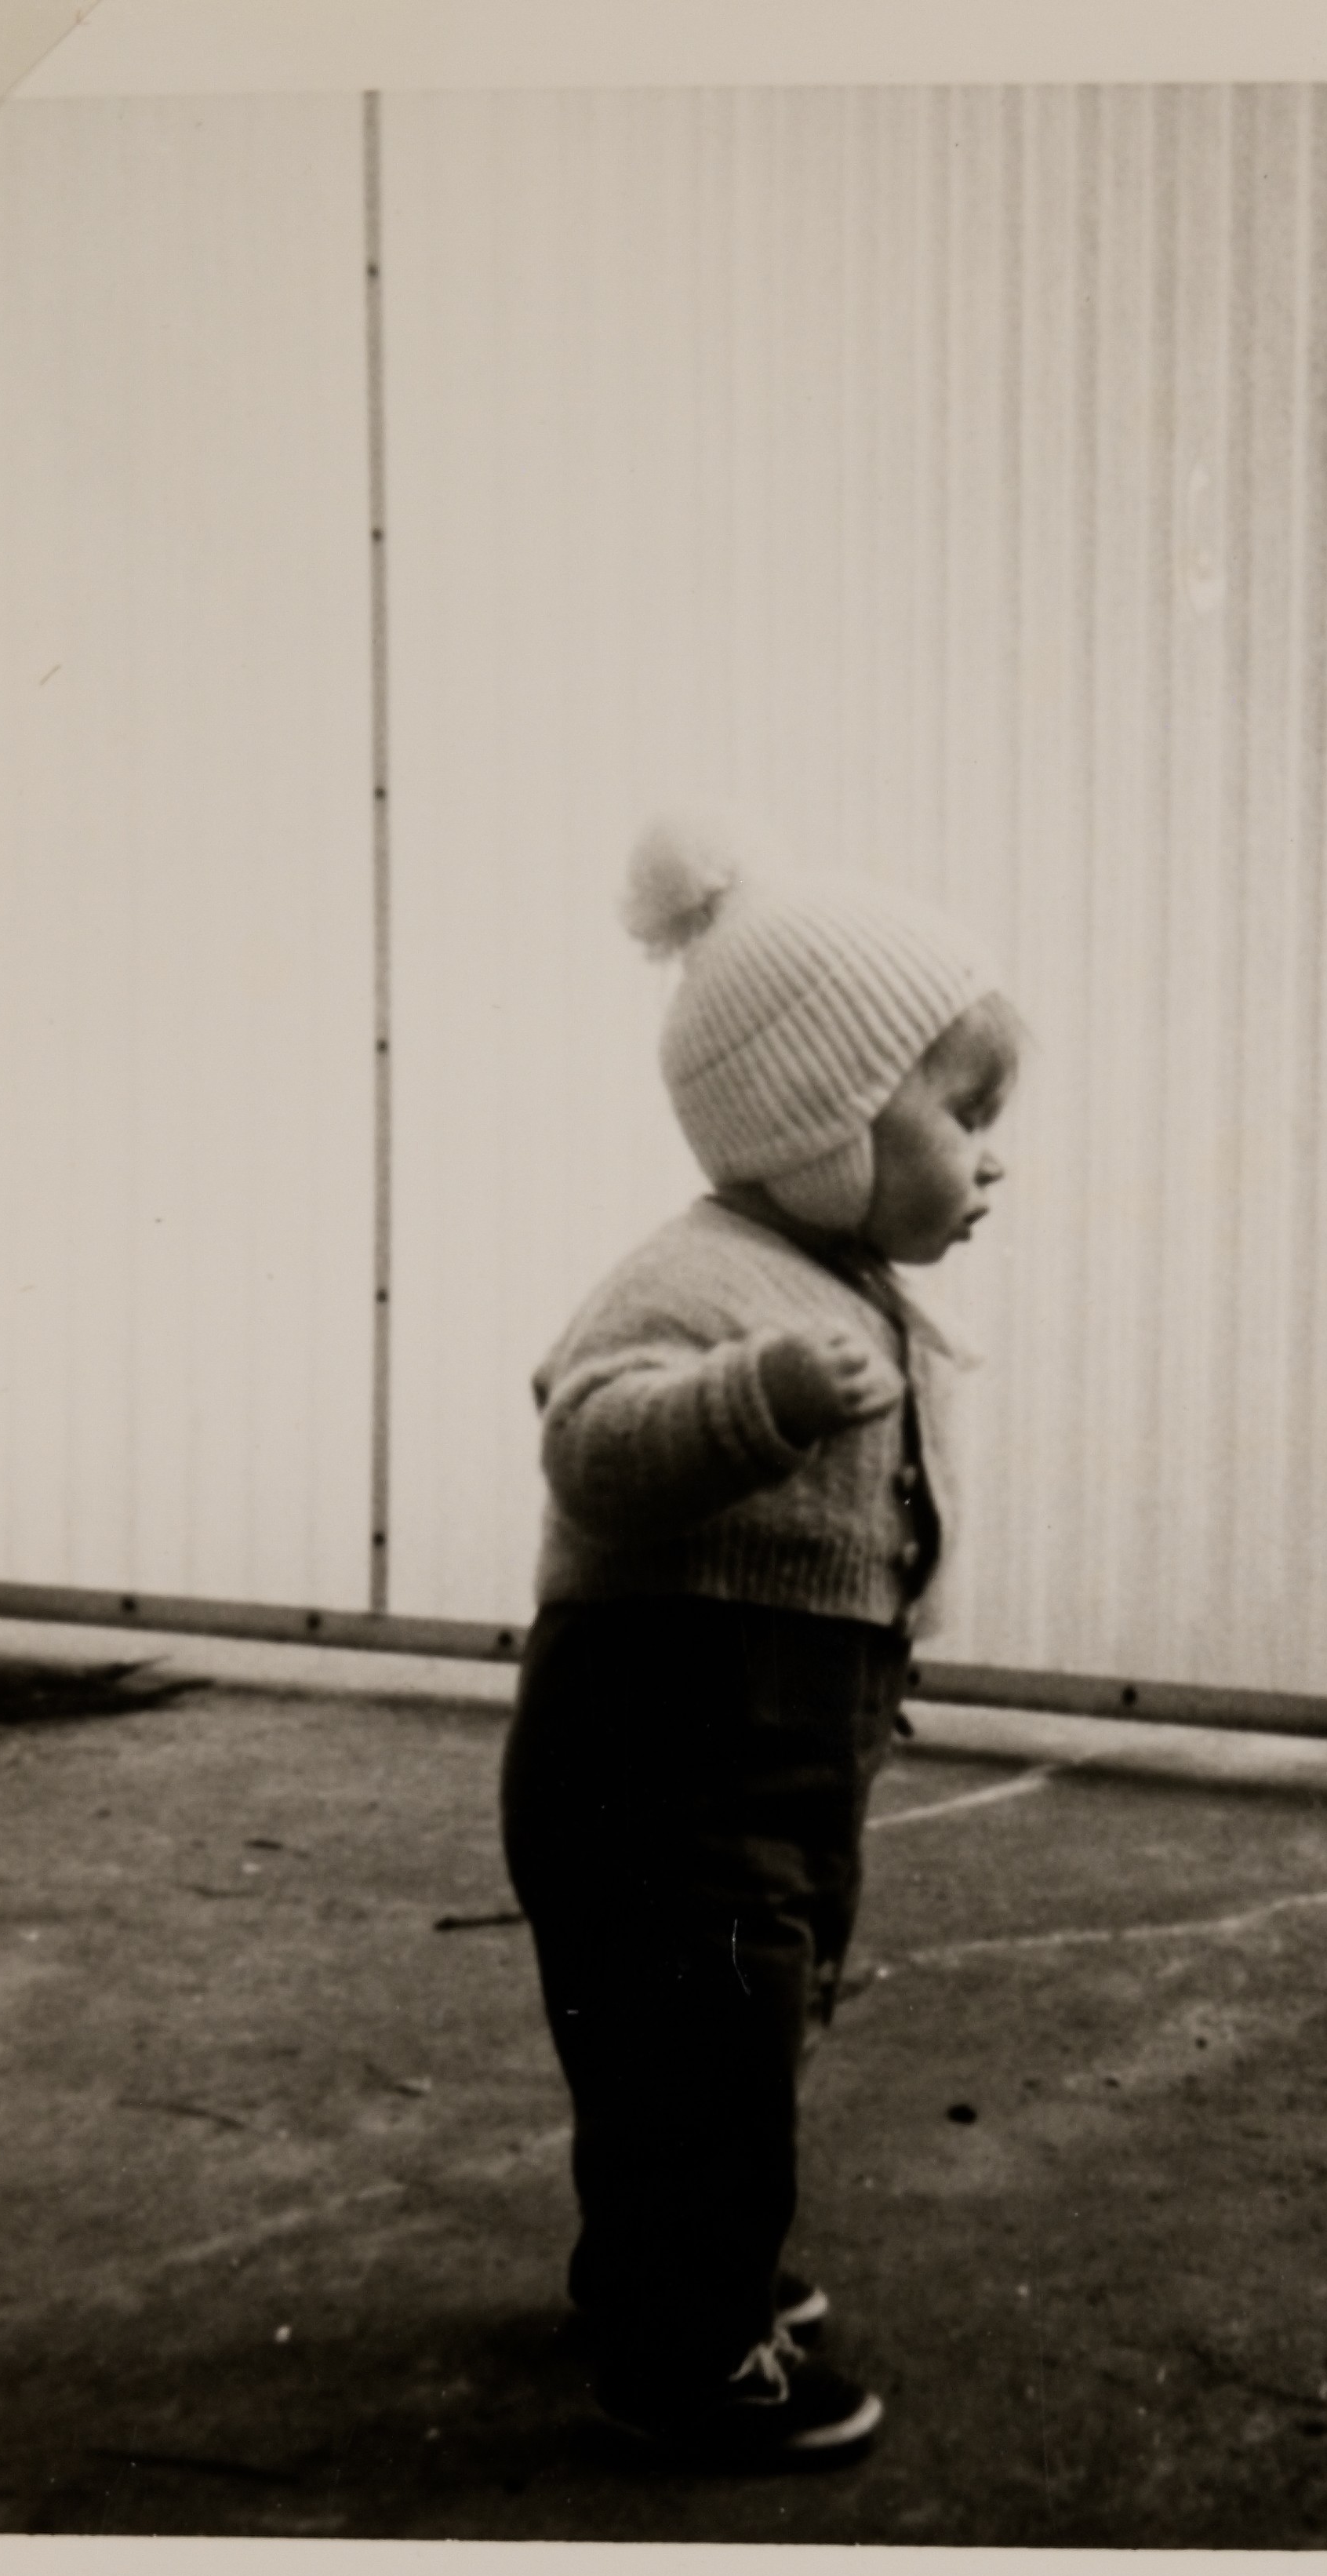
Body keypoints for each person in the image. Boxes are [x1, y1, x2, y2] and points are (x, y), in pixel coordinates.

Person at [499, 804, 1021, 2469]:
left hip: (770, 1743)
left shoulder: (842, 1279)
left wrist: (872, 1680)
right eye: (964, 1113)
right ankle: (687, 2352)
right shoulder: (699, 1281)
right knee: (703, 2043)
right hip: (659, 1752)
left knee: (717, 2037)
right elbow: (591, 1441)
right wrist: (758, 1399)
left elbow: (844, 1544)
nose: (992, 1157)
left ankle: (659, 2269)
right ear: (822, 1117)